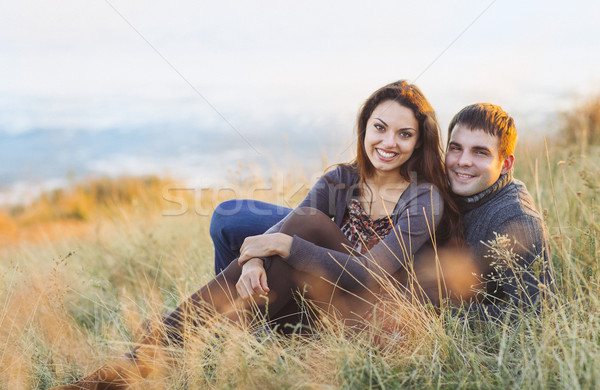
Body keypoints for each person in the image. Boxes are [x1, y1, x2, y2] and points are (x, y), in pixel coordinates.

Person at [53, 80, 466, 389]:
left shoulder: (423, 199)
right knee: (282, 235)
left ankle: (154, 353)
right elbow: (272, 235)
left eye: (404, 134)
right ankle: (160, 355)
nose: (388, 142)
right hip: (315, 311)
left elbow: (367, 274)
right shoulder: (342, 178)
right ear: (364, 128)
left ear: (419, 140)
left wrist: (285, 245)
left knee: (304, 227)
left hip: (368, 321)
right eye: (379, 127)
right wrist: (252, 258)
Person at [211, 103, 555, 320]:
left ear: (506, 163)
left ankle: (234, 322)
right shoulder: (449, 178)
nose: (463, 162)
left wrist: (436, 310)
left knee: (305, 230)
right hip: (366, 247)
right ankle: (245, 299)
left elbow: (537, 315)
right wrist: (254, 258)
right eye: (456, 148)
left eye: (480, 153)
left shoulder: (517, 222)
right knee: (232, 218)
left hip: (380, 282)